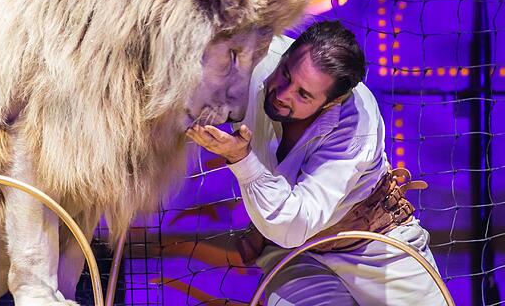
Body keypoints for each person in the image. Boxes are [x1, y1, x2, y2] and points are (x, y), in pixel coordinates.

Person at [186, 20, 445, 305]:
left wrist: (242, 160)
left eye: (303, 95)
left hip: (373, 248)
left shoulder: (356, 128)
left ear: (330, 103)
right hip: (295, 254)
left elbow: (295, 224)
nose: (283, 94)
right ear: (286, 55)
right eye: (286, 74)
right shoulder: (256, 57)